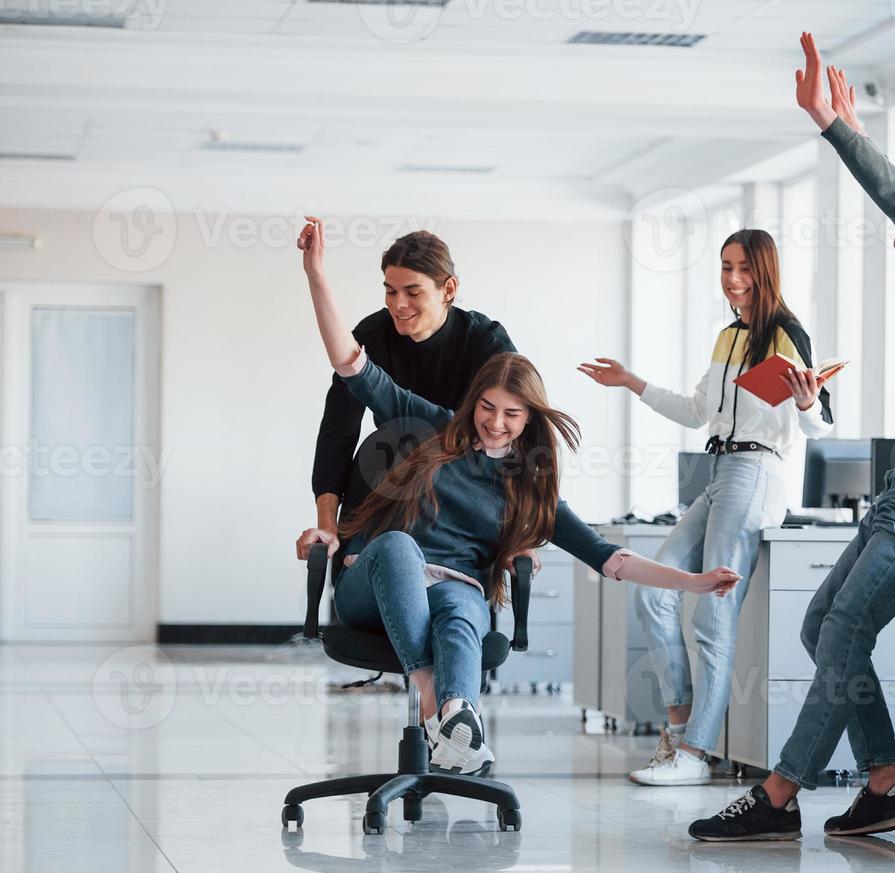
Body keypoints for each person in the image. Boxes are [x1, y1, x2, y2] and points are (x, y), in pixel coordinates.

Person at [689, 33, 895, 841]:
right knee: (820, 625)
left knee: (842, 627)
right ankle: (885, 781)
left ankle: (777, 796)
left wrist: (839, 127)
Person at [296, 226, 742, 778]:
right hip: (376, 578)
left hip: (449, 589)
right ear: (470, 404)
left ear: (530, 419)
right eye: (485, 408)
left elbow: (608, 557)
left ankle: (459, 724)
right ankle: (433, 697)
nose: (494, 423)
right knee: (397, 548)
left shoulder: (527, 488)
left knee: (464, 610)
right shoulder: (439, 429)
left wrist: (694, 583)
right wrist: (317, 274)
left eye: (511, 415)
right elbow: (352, 367)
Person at [580, 229, 834, 786]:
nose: (733, 278)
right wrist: (630, 382)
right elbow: (698, 411)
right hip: (717, 470)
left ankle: (696, 755)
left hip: (759, 472)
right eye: (725, 267)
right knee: (652, 586)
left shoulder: (787, 335)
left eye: (743, 267)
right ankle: (678, 729)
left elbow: (819, 422)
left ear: (764, 271)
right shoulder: (727, 336)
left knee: (714, 616)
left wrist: (808, 402)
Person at [297, 219, 517, 569]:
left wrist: (519, 537)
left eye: (412, 292)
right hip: (389, 489)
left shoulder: (485, 342)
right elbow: (337, 432)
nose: (398, 304)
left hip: (459, 494)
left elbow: (515, 434)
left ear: (448, 289)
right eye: (390, 291)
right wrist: (329, 525)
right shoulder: (372, 335)